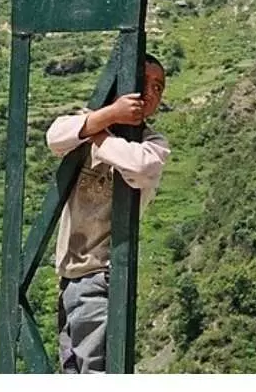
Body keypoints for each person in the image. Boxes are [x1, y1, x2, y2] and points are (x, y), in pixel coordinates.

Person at [46, 53, 171, 374]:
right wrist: (107, 116)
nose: (150, 93)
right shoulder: (85, 127)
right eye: (143, 82)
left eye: (158, 87)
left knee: (96, 370)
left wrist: (98, 128)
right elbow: (55, 136)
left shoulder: (152, 144)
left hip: (100, 276)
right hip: (68, 279)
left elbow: (140, 166)